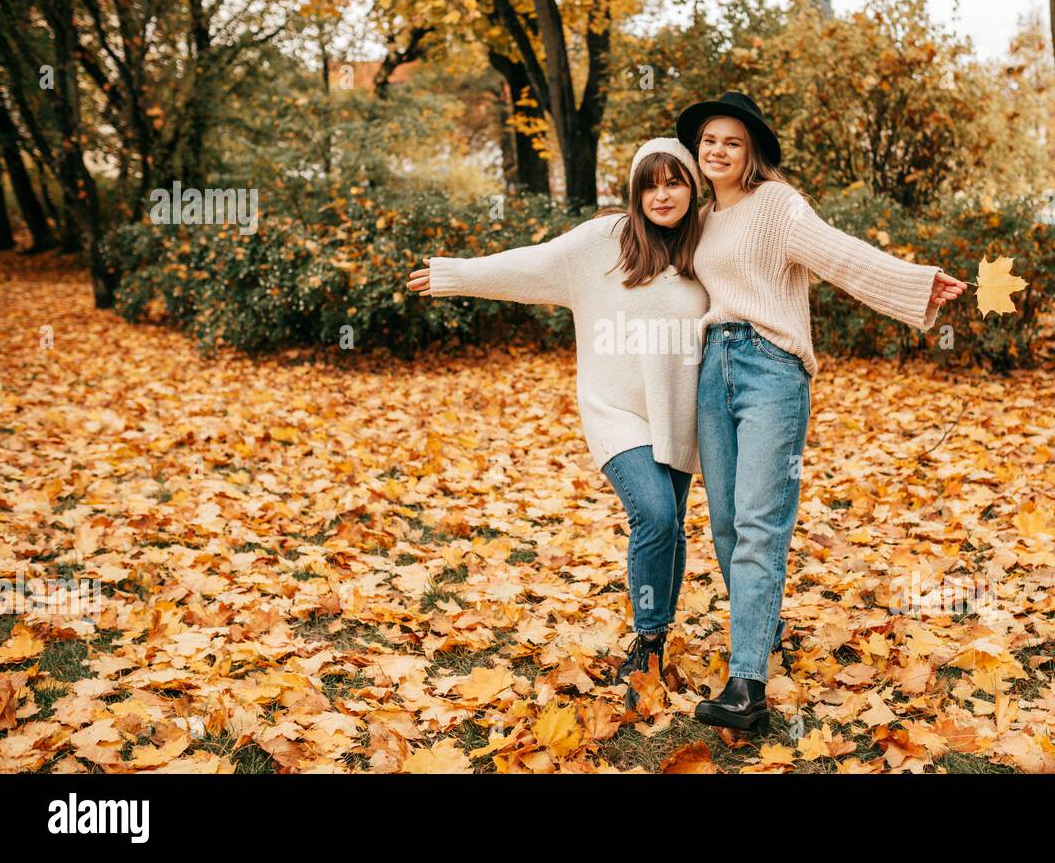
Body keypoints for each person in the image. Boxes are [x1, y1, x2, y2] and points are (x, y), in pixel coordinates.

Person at [674, 91, 968, 732]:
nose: (717, 150)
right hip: (712, 370)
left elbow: (838, 254)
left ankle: (747, 683)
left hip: (771, 370)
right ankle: (766, 624)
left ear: (750, 152)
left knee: (758, 523)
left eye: (731, 141)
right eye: (709, 141)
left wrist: (916, 283)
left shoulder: (777, 205)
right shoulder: (699, 219)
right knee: (724, 523)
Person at [406, 138, 710, 708]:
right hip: (615, 412)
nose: (662, 195)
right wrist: (455, 274)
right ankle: (646, 642)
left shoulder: (704, 248)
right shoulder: (604, 242)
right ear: (635, 190)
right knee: (655, 515)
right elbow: (532, 263)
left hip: (677, 414)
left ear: (692, 189)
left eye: (675, 183)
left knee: (670, 527)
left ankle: (659, 636)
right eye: (651, 183)